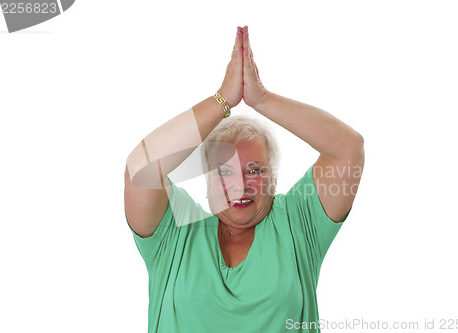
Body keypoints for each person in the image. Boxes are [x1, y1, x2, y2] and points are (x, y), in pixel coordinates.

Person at [124, 26, 365, 333]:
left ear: (274, 179)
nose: (239, 185)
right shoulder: (175, 230)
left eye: (255, 170)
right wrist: (223, 99)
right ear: (207, 181)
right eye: (224, 172)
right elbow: (138, 169)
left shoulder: (298, 222)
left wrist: (260, 99)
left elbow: (348, 148)